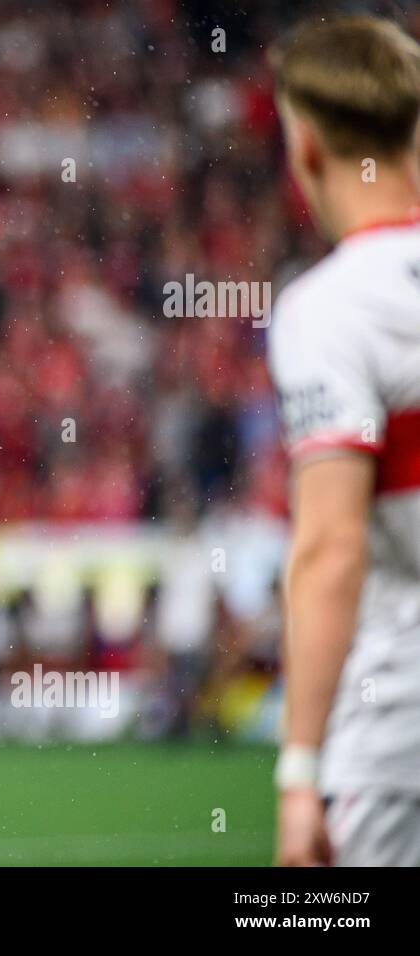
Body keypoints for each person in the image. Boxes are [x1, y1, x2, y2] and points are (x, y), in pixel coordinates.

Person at [267, 15, 420, 866]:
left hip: (398, 738)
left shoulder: (328, 307)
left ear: (310, 150)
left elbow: (331, 549)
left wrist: (299, 773)